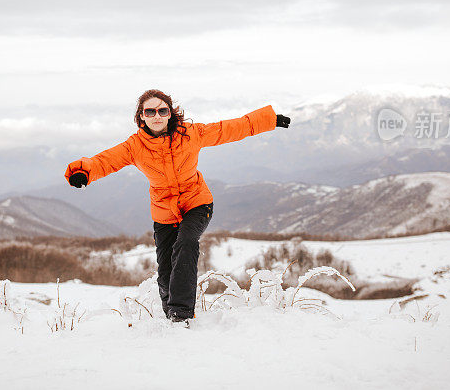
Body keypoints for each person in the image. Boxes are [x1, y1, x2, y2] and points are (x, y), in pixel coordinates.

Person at [64, 89, 291, 324]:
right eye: (150, 111)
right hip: (164, 211)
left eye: (162, 110)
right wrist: (83, 171)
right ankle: (170, 317)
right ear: (141, 117)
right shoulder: (135, 146)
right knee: (165, 268)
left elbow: (230, 129)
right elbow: (106, 160)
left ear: (170, 113)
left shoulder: (192, 134)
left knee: (186, 242)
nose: (157, 116)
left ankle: (180, 316)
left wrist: (268, 120)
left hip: (197, 202)